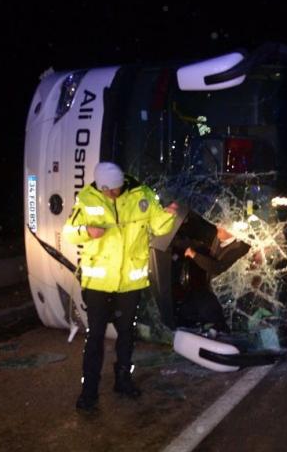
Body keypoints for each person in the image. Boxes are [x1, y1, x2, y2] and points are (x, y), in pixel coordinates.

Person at [63, 161, 178, 413]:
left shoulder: (142, 195)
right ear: (100, 186)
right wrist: (86, 230)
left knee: (127, 334)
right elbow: (69, 232)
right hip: (98, 283)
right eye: (108, 190)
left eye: (116, 189)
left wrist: (168, 215)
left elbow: (158, 226)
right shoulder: (87, 199)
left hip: (130, 282)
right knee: (95, 337)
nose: (113, 194)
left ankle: (123, 379)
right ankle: (89, 391)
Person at [172, 214, 251, 333]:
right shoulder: (218, 238)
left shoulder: (240, 247)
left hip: (225, 295)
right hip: (209, 289)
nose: (218, 226)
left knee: (204, 310)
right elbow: (199, 237)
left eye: (223, 225)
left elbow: (218, 267)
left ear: (233, 230)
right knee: (185, 309)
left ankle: (221, 331)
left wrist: (195, 255)